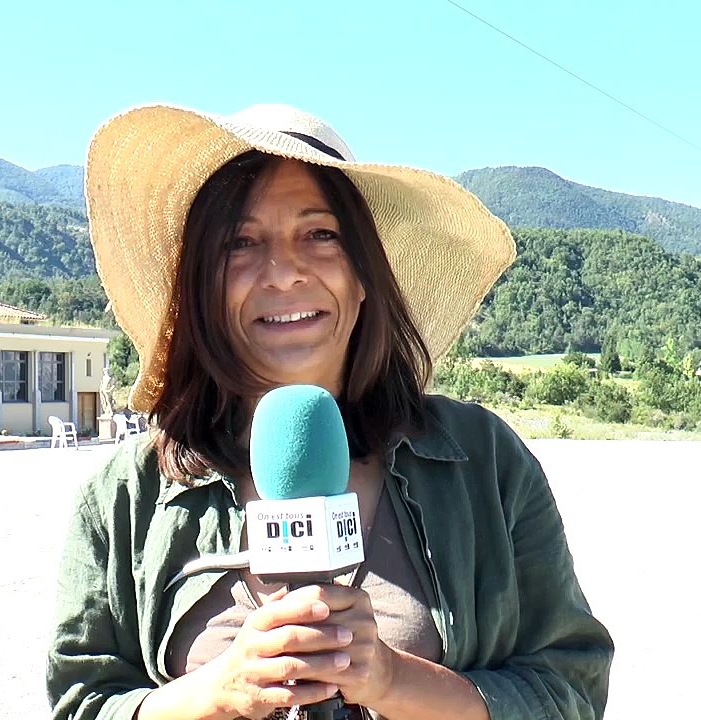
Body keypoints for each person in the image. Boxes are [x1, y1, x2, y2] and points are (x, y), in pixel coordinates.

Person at [48, 104, 613, 720]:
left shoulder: (483, 460)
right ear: (202, 286)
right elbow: (80, 705)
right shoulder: (127, 495)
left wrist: (393, 679)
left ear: (363, 272)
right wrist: (217, 692)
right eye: (240, 242)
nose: (283, 273)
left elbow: (570, 691)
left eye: (320, 234)